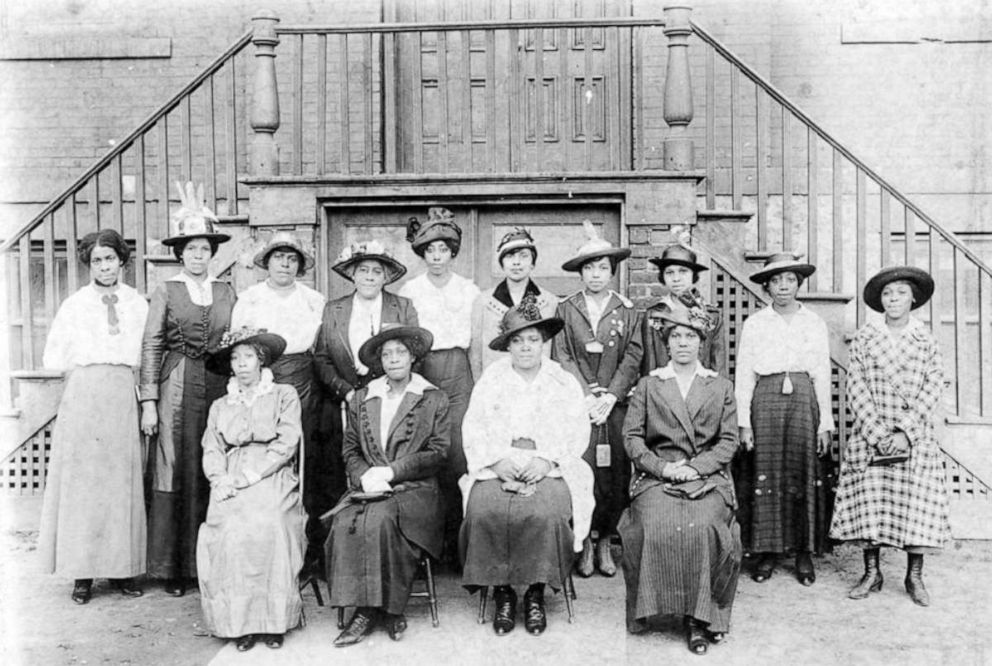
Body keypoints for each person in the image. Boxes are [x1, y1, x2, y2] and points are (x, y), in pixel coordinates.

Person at [460, 295, 594, 636]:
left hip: (549, 464)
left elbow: (577, 430)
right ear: (507, 346)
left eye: (533, 340)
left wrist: (547, 457)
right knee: (485, 511)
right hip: (498, 463)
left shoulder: (562, 381)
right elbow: (474, 427)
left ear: (544, 342)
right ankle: (503, 592)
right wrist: (496, 459)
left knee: (544, 512)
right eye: (517, 341)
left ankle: (535, 591)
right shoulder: (492, 378)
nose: (525, 348)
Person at [619, 307, 741, 655]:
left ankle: (699, 617)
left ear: (702, 342)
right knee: (654, 522)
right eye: (676, 336)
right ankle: (650, 606)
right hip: (658, 476)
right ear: (666, 343)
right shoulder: (649, 384)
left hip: (707, 477)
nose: (683, 343)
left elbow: (728, 441)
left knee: (703, 526)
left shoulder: (719, 386)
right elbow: (632, 437)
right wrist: (663, 467)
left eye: (691, 336)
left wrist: (698, 467)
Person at [39, 229, 149, 604]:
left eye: (111, 259)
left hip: (121, 391)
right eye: (97, 260)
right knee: (84, 484)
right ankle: (82, 574)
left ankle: (120, 570)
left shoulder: (137, 303)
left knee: (120, 482)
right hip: (85, 393)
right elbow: (54, 356)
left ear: (122, 261)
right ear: (89, 264)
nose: (105, 266)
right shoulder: (75, 304)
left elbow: (146, 355)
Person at [830, 266, 949, 606]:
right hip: (873, 434)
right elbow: (856, 386)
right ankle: (871, 572)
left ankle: (914, 576)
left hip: (914, 437)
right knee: (871, 504)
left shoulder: (925, 339)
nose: (893, 299)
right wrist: (878, 432)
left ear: (913, 298)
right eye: (887, 294)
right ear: (880, 301)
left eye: (900, 293)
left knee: (916, 506)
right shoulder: (867, 338)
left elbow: (933, 386)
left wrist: (905, 432)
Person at [139, 182, 235, 597]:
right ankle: (174, 567)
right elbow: (151, 344)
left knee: (213, 463)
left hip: (217, 384)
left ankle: (210, 563)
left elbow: (236, 338)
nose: (198, 256)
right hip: (175, 384)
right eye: (191, 250)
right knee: (175, 466)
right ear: (180, 254)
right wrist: (149, 401)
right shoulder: (166, 289)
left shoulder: (227, 290)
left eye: (204, 249)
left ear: (213, 253)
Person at [325, 324, 449, 647]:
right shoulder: (364, 398)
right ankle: (371, 607)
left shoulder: (432, 398)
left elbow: (438, 452)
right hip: (368, 488)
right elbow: (350, 448)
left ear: (413, 357)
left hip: (415, 490)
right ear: (380, 361)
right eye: (387, 354)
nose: (394, 359)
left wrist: (393, 472)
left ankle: (378, 611)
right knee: (344, 522)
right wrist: (363, 474)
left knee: (380, 521)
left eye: (400, 352)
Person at [196, 328, 306, 652]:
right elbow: (212, 447)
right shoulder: (221, 404)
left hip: (271, 471)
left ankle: (274, 621)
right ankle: (238, 622)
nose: (242, 364)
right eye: (235, 358)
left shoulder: (283, 394)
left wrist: (254, 474)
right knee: (229, 525)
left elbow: (288, 441)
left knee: (271, 521)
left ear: (261, 361)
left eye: (248, 357)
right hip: (231, 472)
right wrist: (219, 478)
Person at [734, 252, 835, 586]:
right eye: (776, 280)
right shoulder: (755, 323)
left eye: (790, 280)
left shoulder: (813, 322)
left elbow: (822, 372)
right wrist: (745, 422)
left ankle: (804, 552)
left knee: (802, 471)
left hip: (804, 399)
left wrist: (825, 423)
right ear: (767, 285)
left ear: (799, 284)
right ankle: (767, 552)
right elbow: (744, 374)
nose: (783, 287)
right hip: (766, 399)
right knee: (766, 472)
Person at [553, 220, 642, 577]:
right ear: (580, 273)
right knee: (582, 468)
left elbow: (634, 356)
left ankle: (606, 539)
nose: (596, 274)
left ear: (612, 272)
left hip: (614, 408)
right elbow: (562, 355)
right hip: (580, 407)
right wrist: (587, 397)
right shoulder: (566, 308)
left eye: (603, 268)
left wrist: (611, 396)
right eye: (589, 268)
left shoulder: (627, 309)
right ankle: (585, 541)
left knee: (614, 473)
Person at [230, 231, 324, 565]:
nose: (285, 264)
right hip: (263, 380)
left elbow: (320, 346)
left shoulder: (313, 299)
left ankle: (305, 550)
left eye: (292, 258)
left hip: (305, 381)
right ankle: (262, 548)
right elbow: (240, 352)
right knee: (264, 454)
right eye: (278, 257)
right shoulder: (250, 299)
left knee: (305, 458)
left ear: (299, 265)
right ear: (267, 262)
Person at [399, 207, 480, 565]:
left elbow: (476, 340)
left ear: (452, 253)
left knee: (459, 452)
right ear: (422, 254)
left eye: (443, 250)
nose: (437, 257)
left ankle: (459, 546)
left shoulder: (469, 289)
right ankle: (424, 547)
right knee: (423, 449)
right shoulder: (410, 290)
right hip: (424, 367)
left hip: (458, 369)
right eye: (430, 250)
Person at [314, 241, 417, 512]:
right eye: (363, 270)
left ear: (386, 277)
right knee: (342, 463)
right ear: (352, 275)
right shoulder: (333, 309)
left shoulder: (403, 307)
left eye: (376, 271)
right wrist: (347, 391)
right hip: (345, 398)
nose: (369, 277)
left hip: (389, 396)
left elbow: (413, 354)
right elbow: (322, 358)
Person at [469, 227, 558, 378]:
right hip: (495, 383)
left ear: (533, 263)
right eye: (510, 256)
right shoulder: (483, 301)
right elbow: (475, 351)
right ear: (502, 263)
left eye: (524, 256)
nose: (516, 263)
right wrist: (481, 384)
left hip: (537, 385)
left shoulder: (549, 301)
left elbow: (554, 352)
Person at [642, 243, 725, 375]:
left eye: (683, 271)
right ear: (662, 277)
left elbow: (718, 363)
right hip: (663, 388)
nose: (676, 279)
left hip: (702, 389)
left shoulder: (711, 315)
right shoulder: (653, 315)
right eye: (669, 272)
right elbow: (650, 363)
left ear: (694, 275)